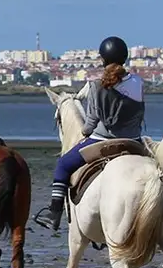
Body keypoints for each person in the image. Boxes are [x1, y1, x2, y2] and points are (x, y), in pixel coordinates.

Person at [33, 36, 145, 231]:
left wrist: (84, 132)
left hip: (102, 141)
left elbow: (90, 124)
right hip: (134, 141)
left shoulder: (95, 86)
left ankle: (54, 213)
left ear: (103, 59)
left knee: (63, 165)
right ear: (125, 58)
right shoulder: (138, 82)